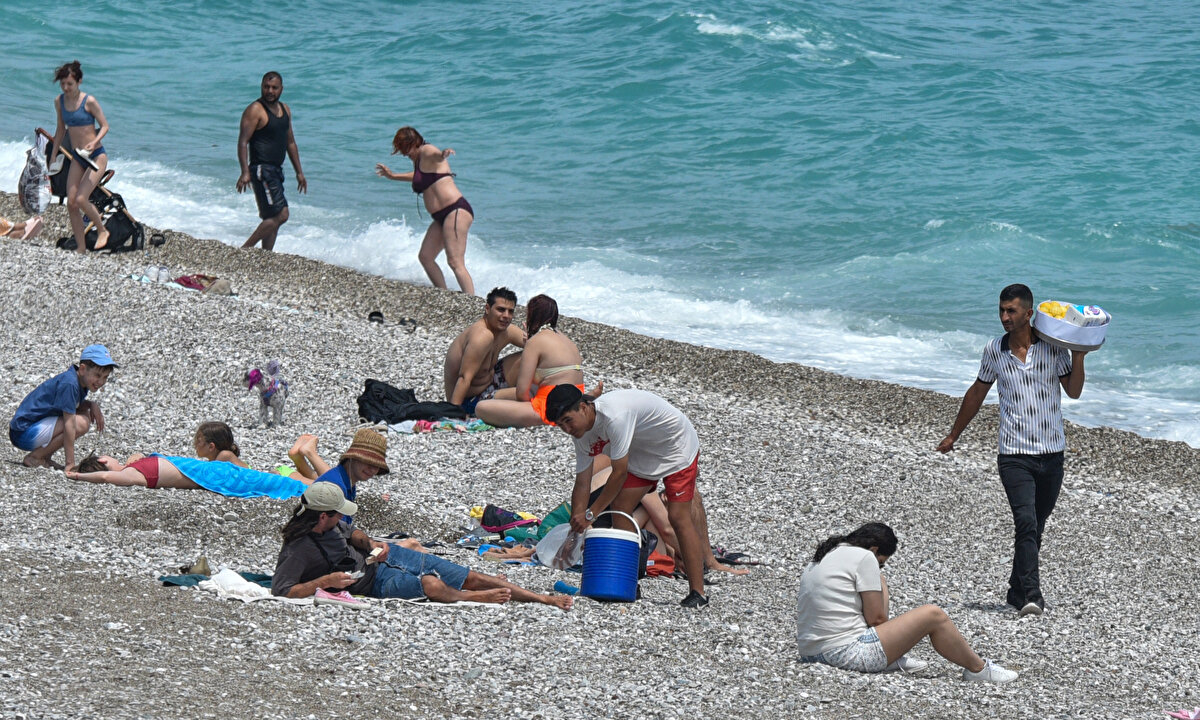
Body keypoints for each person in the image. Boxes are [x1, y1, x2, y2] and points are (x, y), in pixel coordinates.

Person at [937, 283, 1087, 617]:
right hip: (1014, 454)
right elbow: (977, 391)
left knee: (1037, 524)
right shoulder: (994, 350)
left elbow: (1074, 391)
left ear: (1029, 313)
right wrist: (953, 435)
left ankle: (1015, 590)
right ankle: (1033, 595)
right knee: (1025, 522)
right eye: (1002, 311)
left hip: (1052, 453)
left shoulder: (1053, 348)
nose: (1005, 317)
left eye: (1012, 311)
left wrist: (1078, 357)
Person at [272, 482, 572, 609]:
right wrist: (326, 582)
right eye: (338, 513)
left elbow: (355, 533)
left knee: (469, 574)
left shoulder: (333, 523)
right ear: (322, 516)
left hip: (387, 558)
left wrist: (373, 543)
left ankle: (542, 599)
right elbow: (282, 590)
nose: (342, 518)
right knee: (430, 584)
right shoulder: (298, 549)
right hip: (372, 582)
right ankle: (471, 599)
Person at [545, 385, 714, 607]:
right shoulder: (581, 434)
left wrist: (590, 514)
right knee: (620, 509)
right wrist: (576, 522)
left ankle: (698, 592)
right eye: (561, 425)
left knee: (677, 516)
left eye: (568, 420)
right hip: (641, 453)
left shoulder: (615, 416)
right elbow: (583, 481)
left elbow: (619, 473)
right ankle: (627, 582)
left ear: (584, 407)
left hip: (675, 445)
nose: (567, 429)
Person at [796, 523, 1018, 683]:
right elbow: (877, 620)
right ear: (875, 550)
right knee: (933, 614)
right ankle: (979, 669)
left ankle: (895, 659)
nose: (879, 567)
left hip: (810, 651)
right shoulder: (864, 558)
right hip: (844, 653)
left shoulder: (826, 554)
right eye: (881, 563)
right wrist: (881, 581)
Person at [474, 294, 604, 428]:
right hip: (573, 395)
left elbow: (521, 393)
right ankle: (583, 400)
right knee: (535, 388)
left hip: (550, 407)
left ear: (532, 315)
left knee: (481, 407)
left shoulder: (536, 341)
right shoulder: (567, 341)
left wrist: (519, 406)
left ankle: (558, 416)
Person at [375, 126, 475, 295]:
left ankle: (473, 302)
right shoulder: (420, 162)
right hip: (440, 217)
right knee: (426, 257)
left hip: (456, 211)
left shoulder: (426, 151)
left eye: (406, 149)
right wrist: (392, 176)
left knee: (455, 261)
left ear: (415, 143)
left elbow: (436, 155)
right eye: (401, 150)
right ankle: (443, 294)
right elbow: (416, 176)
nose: (405, 154)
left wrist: (443, 153)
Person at [9, 344, 115, 470]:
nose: (101, 382)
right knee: (81, 423)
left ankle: (44, 457)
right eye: (97, 375)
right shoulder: (69, 384)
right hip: (23, 433)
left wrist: (92, 404)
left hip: (26, 430)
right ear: (82, 369)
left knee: (83, 413)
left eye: (105, 377)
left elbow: (70, 404)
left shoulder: (78, 381)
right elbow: (69, 424)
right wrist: (70, 464)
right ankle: (35, 457)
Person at [236, 71, 306, 251]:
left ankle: (266, 255)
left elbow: (290, 142)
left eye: (274, 88)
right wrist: (245, 172)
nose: (270, 91)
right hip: (261, 169)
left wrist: (299, 172)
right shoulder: (255, 110)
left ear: (281, 89)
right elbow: (243, 141)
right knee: (282, 214)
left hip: (276, 170)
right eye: (266, 87)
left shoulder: (285, 110)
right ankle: (246, 248)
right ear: (261, 87)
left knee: (272, 216)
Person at [49, 61, 111, 253]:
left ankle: (102, 230)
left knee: (82, 198)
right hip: (78, 157)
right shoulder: (59, 101)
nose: (66, 88)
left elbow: (105, 126)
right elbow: (60, 130)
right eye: (63, 84)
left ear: (79, 81)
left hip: (96, 156)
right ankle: (81, 248)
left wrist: (94, 142)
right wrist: (53, 156)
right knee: (71, 203)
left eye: (70, 84)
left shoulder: (89, 101)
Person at [443, 287, 525, 414]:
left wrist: (538, 331)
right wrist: (452, 413)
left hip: (490, 383)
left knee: (528, 356)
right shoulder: (482, 336)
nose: (506, 316)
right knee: (527, 394)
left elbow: (538, 347)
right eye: (501, 310)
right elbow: (464, 378)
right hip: (469, 401)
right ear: (487, 309)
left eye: (510, 311)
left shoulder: (506, 332)